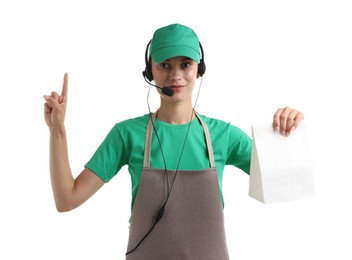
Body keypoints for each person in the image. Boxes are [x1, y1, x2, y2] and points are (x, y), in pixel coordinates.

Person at [43, 23, 304, 260]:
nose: (175, 75)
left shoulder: (223, 136)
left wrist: (288, 130)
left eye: (186, 64)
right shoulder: (127, 134)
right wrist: (58, 131)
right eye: (164, 65)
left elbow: (287, 184)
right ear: (150, 70)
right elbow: (67, 200)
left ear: (199, 69)